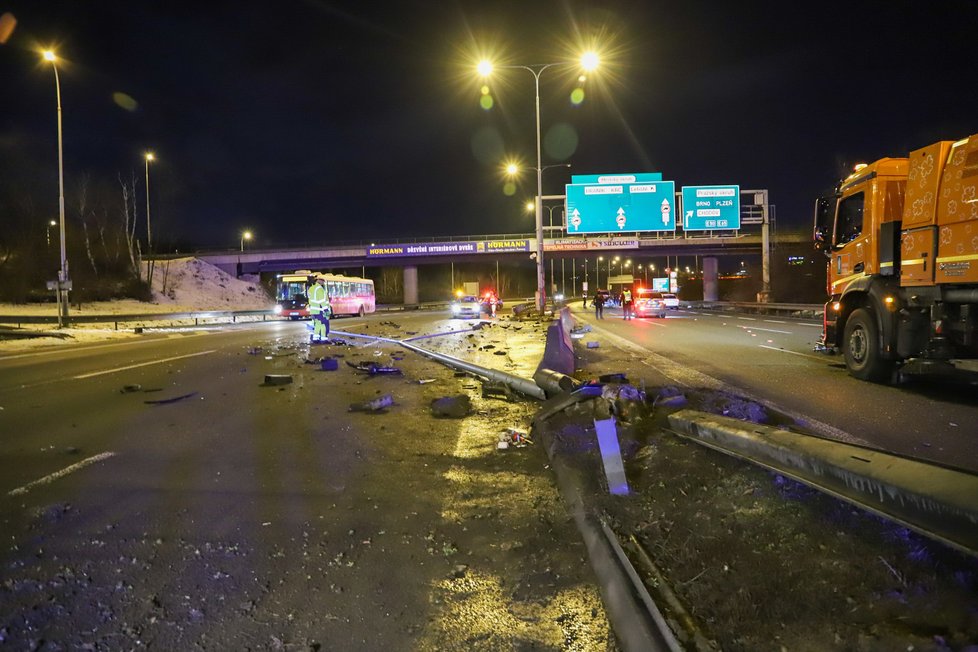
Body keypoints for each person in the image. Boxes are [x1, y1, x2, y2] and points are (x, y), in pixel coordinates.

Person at [307, 274, 331, 343]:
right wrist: (326, 310)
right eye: (323, 281)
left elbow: (310, 299)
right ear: (320, 281)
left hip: (313, 310)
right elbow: (322, 301)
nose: (323, 283)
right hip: (320, 310)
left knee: (317, 324)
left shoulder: (311, 288)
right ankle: (324, 339)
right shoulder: (320, 289)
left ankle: (316, 338)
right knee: (324, 324)